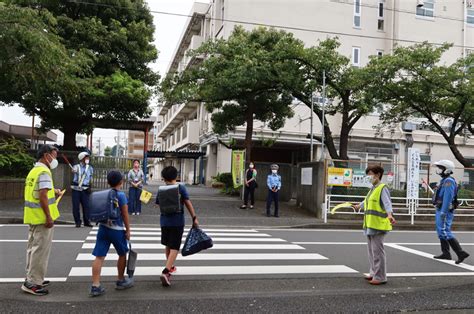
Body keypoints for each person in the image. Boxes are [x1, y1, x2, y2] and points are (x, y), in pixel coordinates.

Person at [22, 145, 63, 296]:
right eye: (54, 156)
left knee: (32, 248)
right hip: (42, 218)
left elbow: (39, 192)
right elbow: (43, 195)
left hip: (32, 216)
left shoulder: (34, 171)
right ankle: (33, 283)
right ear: (46, 156)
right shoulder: (45, 171)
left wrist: (55, 191)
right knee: (40, 251)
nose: (55, 159)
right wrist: (48, 217)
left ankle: (31, 277)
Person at [90, 170, 133, 297]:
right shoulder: (121, 195)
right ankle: (120, 280)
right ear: (121, 181)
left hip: (103, 229)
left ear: (108, 182)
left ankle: (95, 285)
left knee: (99, 257)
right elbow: (125, 214)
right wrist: (128, 230)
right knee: (122, 254)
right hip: (117, 231)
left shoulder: (104, 194)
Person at [155, 166, 199, 287]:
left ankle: (171, 266)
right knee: (175, 247)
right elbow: (188, 203)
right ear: (176, 176)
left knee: (168, 244)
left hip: (164, 222)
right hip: (177, 221)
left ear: (164, 178)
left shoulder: (161, 189)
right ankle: (166, 272)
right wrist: (194, 217)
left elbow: (158, 204)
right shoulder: (181, 188)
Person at [353, 165, 396, 285]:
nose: (368, 177)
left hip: (378, 225)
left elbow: (387, 203)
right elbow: (366, 201)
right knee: (372, 251)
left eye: (370, 174)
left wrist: (390, 215)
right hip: (370, 224)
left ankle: (380, 276)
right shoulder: (373, 188)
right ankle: (373, 273)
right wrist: (359, 206)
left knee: (377, 252)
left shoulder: (382, 188)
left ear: (377, 175)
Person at [432, 160, 470, 264]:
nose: (439, 170)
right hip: (440, 209)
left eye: (441, 168)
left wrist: (443, 212)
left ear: (446, 169)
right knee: (441, 231)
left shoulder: (449, 181)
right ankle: (446, 253)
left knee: (445, 231)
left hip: (444, 210)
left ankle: (460, 252)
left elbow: (448, 198)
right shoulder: (444, 180)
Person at [71, 151, 94, 227]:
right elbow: (73, 171)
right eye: (86, 158)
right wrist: (74, 171)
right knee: (75, 206)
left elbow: (90, 178)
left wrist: (90, 186)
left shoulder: (90, 168)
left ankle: (87, 221)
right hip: (76, 188)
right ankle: (77, 222)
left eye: (88, 158)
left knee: (87, 206)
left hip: (85, 189)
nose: (88, 159)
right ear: (82, 158)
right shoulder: (76, 167)